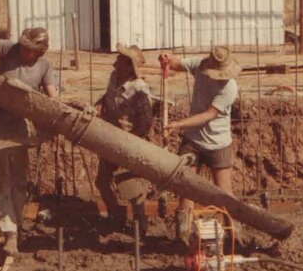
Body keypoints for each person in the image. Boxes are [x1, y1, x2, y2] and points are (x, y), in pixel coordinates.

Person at [0, 27, 59, 256]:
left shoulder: (44, 66)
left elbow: (53, 99)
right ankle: (10, 235)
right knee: (3, 180)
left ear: (39, 52)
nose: (24, 51)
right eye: (24, 46)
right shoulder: (8, 49)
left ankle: (17, 227)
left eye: (30, 49)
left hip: (19, 126)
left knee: (19, 182)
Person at [159, 46, 241, 244]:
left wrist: (178, 124)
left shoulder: (229, 88)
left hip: (218, 143)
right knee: (187, 187)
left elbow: (208, 115)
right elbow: (179, 64)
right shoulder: (201, 65)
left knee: (224, 192)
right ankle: (183, 234)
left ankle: (234, 234)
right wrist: (168, 59)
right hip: (193, 140)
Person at [92, 46, 155, 235]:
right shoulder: (114, 76)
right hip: (110, 136)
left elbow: (145, 122)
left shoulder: (139, 90)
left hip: (129, 139)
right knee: (102, 181)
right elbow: (108, 96)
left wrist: (130, 144)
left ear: (129, 66)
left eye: (119, 60)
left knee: (132, 185)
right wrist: (98, 105)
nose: (114, 62)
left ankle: (140, 224)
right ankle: (116, 215)